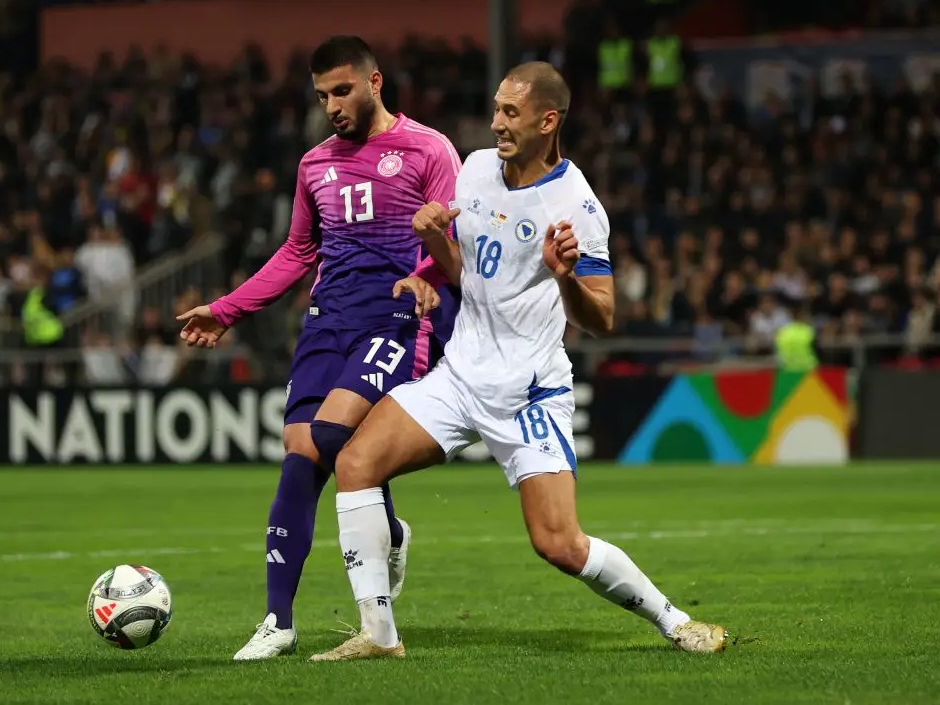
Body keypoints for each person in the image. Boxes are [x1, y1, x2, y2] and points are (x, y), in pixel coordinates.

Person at [311, 62, 728, 662]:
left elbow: (602, 319)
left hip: (528, 392)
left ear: (547, 120)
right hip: (460, 376)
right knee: (355, 462)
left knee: (557, 543)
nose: (496, 122)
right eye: (497, 108)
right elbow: (467, 274)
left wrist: (565, 279)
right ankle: (378, 636)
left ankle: (675, 621)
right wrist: (433, 242)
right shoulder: (477, 169)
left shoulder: (576, 206)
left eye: (510, 112)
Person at [176, 35, 461, 660]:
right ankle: (279, 621)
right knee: (300, 450)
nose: (332, 105)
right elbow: (298, 254)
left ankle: (386, 534)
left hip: (397, 315)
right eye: (322, 95)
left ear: (375, 82)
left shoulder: (428, 149)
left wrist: (428, 281)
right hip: (327, 318)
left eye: (342, 90)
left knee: (334, 437)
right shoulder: (313, 165)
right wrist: (228, 311)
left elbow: (453, 241)